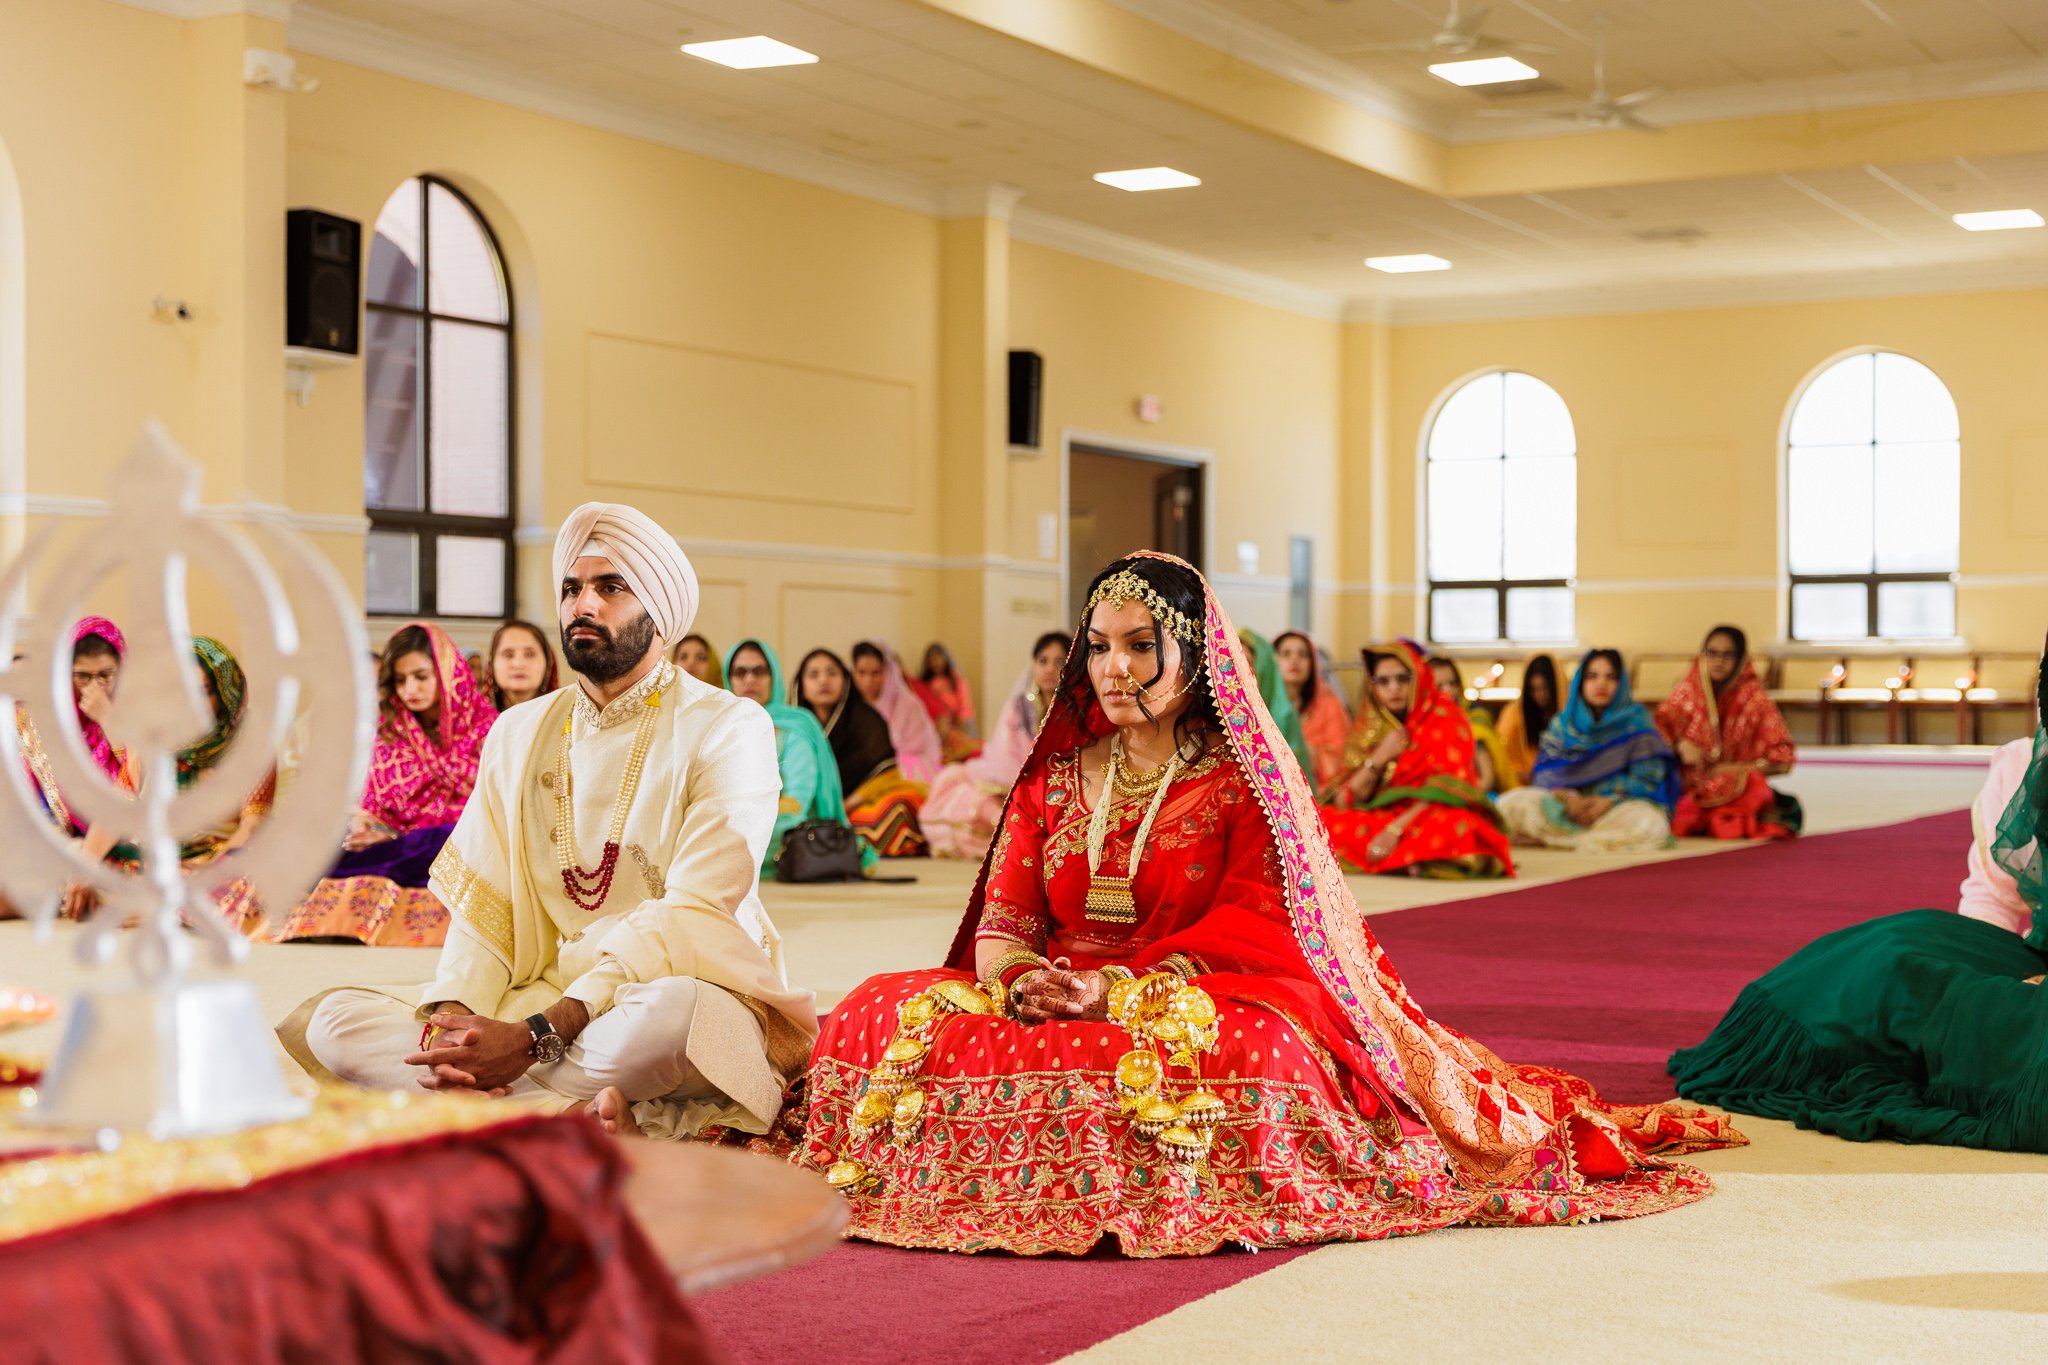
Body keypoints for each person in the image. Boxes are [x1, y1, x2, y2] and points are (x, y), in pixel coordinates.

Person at [795, 553, 1739, 1255]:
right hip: (1046, 988)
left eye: (1138, 645)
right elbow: (1003, 919)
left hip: (1197, 991)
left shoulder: (1243, 782)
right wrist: (1019, 977)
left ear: (1193, 654)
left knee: (1264, 1052)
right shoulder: (1050, 784)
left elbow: (1267, 925)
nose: (1112, 668)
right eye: (1098, 647)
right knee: (875, 1007)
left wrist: (1123, 990)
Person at [285, 501, 817, 1140]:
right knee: (336, 1022)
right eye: (571, 588)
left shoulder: (728, 727)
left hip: (662, 988)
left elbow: (697, 912)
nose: (581, 606)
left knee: (678, 1019)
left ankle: (476, 1115)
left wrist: (538, 1036)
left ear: (659, 613)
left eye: (610, 588)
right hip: (532, 994)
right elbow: (485, 907)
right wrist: (456, 1027)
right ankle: (555, 1115)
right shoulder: (517, 731)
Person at [1669, 663, 2048, 1150]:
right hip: (2035, 958)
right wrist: (1965, 979)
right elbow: (1991, 897)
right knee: (1895, 953)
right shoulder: (2021, 763)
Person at [267, 622, 496, 946]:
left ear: (447, 673)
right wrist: (366, 827)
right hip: (393, 843)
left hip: (456, 845)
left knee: (442, 840)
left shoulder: (487, 728)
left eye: (421, 676)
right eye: (401, 680)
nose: (410, 689)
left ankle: (350, 882)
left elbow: (489, 808)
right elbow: (376, 802)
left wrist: (399, 835)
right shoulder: (392, 729)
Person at [1319, 642, 1513, 879]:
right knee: (1322, 819)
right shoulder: (1369, 725)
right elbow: (1344, 800)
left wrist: (1395, 830)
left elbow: (1447, 790)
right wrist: (1380, 757)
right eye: (1384, 681)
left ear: (1419, 678)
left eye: (1402, 678)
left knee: (1461, 826)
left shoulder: (1444, 716)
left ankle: (1405, 858)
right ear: (1373, 686)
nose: (1394, 688)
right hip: (1382, 815)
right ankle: (1415, 862)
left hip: (1428, 815)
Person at [1497, 650, 1678, 854]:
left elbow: (1648, 779)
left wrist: (1608, 800)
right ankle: (1585, 840)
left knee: (1650, 823)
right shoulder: (1563, 725)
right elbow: (1544, 777)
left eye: (1611, 677)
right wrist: (1569, 799)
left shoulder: (1637, 723)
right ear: (1580, 682)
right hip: (1566, 809)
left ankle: (1557, 839)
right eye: (1592, 676)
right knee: (1509, 804)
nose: (1601, 684)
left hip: (1616, 808)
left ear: (1622, 684)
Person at [724, 638, 873, 876]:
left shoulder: (795, 728)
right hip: (726, 824)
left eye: (760, 671)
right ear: (728, 678)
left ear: (774, 677)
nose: (750, 679)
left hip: (781, 825)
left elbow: (797, 800)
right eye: (740, 672)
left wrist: (745, 823)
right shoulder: (718, 728)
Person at [921, 631, 1070, 861]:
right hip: (1013, 782)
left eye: (1060, 661)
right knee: (957, 785)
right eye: (1042, 661)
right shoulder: (1019, 706)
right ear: (1033, 664)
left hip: (1058, 788)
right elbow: (1005, 753)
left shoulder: (1075, 709)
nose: (1049, 668)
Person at [1654, 626, 1800, 841]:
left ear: (1740, 658)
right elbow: (1655, 733)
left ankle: (1715, 816)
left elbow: (1783, 758)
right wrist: (1679, 744)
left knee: (1752, 790)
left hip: (1735, 787)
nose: (1719, 661)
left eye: (1728, 654)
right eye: (1712, 653)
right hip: (1688, 786)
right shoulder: (1685, 692)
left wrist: (1735, 769)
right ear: (1702, 654)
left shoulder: (1755, 699)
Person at [795, 648, 927, 858]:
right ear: (801, 687)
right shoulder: (793, 724)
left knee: (899, 808)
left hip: (856, 804)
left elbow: (885, 774)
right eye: (814, 675)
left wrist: (843, 806)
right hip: (805, 807)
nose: (823, 681)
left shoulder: (866, 719)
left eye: (831, 673)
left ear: (845, 680)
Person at [851, 640, 941, 784]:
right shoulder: (851, 705)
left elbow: (919, 749)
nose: (867, 681)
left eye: (876, 673)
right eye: (861, 672)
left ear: (888, 672)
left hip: (907, 770)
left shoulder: (909, 705)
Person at [1274, 631, 1350, 794]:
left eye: (1303, 654)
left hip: (1318, 791)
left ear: (1313, 663)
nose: (1295, 660)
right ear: (1273, 661)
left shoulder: (1329, 704)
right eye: (1286, 654)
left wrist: (1306, 752)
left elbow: (1342, 758)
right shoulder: (1261, 703)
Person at [1238, 628, 1313, 780]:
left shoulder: (1284, 717)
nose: (1236, 671)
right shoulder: (1216, 709)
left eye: (1247, 662)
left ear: (1264, 669)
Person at [1427, 655, 1507, 794]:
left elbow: (1487, 779)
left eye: (1453, 683)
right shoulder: (1419, 725)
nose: (1449, 691)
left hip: (1472, 795)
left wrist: (1458, 797)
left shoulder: (1474, 720)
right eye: (1440, 686)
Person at [1496, 654, 1559, 790]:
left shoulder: (1566, 715)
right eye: (1534, 689)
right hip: (1522, 787)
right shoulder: (1513, 714)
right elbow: (1502, 755)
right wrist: (1519, 773)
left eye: (1545, 688)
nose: (1540, 695)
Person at [912, 642, 981, 765]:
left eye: (939, 657)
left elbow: (964, 705)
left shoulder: (956, 680)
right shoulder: (923, 684)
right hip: (934, 730)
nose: (936, 662)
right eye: (932, 659)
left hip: (956, 727)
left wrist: (960, 725)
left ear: (946, 658)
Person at [486, 619, 560, 713]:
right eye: (508, 655)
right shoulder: (474, 722)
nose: (518, 664)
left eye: (530, 654)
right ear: (491, 664)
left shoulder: (569, 719)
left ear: (548, 663)